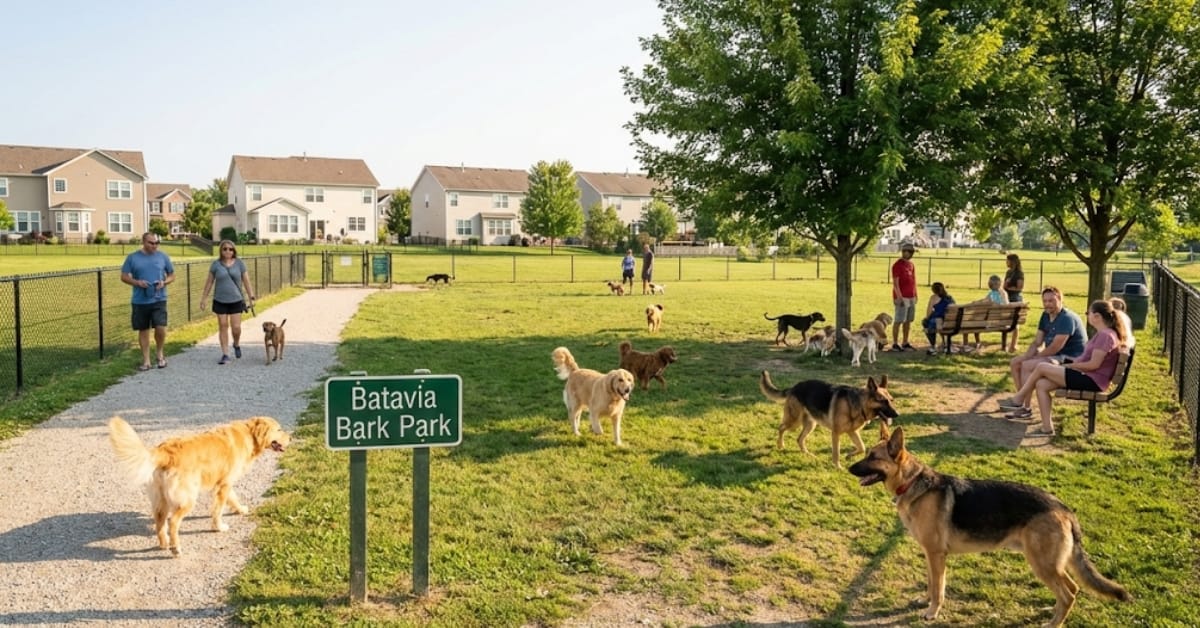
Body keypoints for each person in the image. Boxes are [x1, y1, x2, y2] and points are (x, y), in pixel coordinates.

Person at [998, 300, 1129, 435]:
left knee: (1042, 366)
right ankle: (1047, 428)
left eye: (1087, 313)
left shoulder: (1105, 335)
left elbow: (1093, 365)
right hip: (1089, 377)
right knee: (1042, 384)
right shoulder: (1104, 334)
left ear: (1097, 316)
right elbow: (1087, 361)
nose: (1087, 316)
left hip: (1093, 381)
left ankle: (1018, 399)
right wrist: (1062, 365)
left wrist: (1068, 365)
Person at [1001, 286, 1087, 408]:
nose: (1047, 304)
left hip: (1070, 359)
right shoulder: (1045, 315)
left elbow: (1055, 347)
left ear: (1060, 299)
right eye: (1045, 301)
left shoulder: (1067, 318)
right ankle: (1021, 399)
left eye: (1051, 301)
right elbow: (1037, 341)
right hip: (1056, 357)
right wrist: (1028, 355)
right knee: (1016, 362)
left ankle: (1024, 407)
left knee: (1027, 365)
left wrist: (1034, 358)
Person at [120, 232, 175, 371]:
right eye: (151, 243)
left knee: (160, 327)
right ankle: (146, 360)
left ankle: (160, 354)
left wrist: (164, 282)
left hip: (159, 298)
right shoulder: (133, 258)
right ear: (144, 242)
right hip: (140, 300)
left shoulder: (163, 257)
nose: (154, 246)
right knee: (143, 330)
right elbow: (124, 276)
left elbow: (172, 275)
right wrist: (137, 282)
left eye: (157, 243)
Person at [200, 239, 256, 364]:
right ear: (221, 250)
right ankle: (225, 354)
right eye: (225, 249)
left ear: (234, 251)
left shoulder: (239, 264)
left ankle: (236, 344)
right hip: (220, 299)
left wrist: (251, 296)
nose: (227, 251)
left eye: (230, 249)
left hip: (236, 299)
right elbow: (209, 282)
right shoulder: (216, 265)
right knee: (223, 325)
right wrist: (204, 298)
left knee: (236, 327)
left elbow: (246, 281)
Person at [961, 275, 1007, 352]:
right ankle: (978, 343)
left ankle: (966, 345)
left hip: (990, 322)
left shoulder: (992, 294)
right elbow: (1005, 305)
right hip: (1000, 321)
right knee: (976, 321)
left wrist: (975, 303)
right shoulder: (1003, 293)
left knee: (969, 323)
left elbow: (985, 301)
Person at [890, 242, 919, 351]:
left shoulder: (911, 265)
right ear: (903, 252)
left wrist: (915, 294)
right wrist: (899, 297)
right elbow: (895, 283)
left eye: (912, 252)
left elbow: (914, 280)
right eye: (909, 252)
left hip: (911, 296)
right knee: (899, 320)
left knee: (908, 320)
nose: (911, 254)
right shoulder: (897, 265)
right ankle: (895, 343)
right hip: (902, 297)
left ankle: (905, 341)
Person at [922, 282, 955, 355]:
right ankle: (946, 344)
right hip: (951, 323)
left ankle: (933, 346)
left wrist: (931, 314)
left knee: (926, 322)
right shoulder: (949, 298)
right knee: (938, 324)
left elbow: (928, 314)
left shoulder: (934, 298)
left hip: (939, 322)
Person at [1003, 254, 1025, 351]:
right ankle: (1006, 344)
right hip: (1007, 297)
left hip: (1015, 298)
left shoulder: (1019, 273)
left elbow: (1019, 287)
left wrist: (1009, 287)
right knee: (1007, 322)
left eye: (1007, 260)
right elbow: (1004, 285)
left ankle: (1013, 345)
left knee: (1015, 323)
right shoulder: (1008, 272)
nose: (1006, 262)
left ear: (1012, 261)